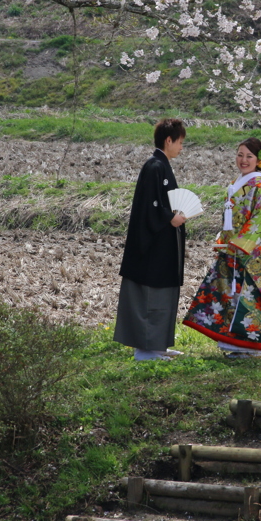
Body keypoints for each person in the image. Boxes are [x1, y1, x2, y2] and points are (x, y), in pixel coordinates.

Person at [183, 139, 261, 358]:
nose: (243, 160)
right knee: (227, 294)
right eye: (240, 154)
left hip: (247, 252)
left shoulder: (259, 186)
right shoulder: (238, 182)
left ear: (259, 161)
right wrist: (224, 237)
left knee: (247, 297)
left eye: (249, 156)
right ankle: (232, 341)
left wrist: (242, 242)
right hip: (231, 248)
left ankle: (248, 345)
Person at [114, 118, 188, 361]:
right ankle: (144, 349)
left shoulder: (161, 165)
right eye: (180, 142)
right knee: (149, 294)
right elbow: (150, 207)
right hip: (151, 245)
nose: (181, 147)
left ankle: (157, 345)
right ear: (169, 140)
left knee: (162, 293)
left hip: (163, 244)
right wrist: (170, 218)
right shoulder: (154, 166)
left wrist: (173, 215)